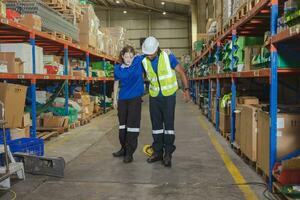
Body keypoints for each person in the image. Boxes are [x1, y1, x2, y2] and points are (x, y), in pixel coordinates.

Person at [141, 36, 191, 167]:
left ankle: (168, 153)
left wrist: (186, 90)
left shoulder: (168, 56)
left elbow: (182, 72)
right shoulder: (144, 61)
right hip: (154, 97)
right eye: (147, 52)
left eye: (151, 52)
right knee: (156, 126)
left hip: (168, 97)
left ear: (157, 48)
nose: (150, 55)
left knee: (168, 126)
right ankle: (157, 152)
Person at [112, 46, 144, 163]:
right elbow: (116, 83)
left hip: (135, 99)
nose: (128, 59)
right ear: (122, 56)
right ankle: (123, 148)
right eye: (126, 56)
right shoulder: (118, 69)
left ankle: (129, 153)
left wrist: (167, 51)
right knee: (122, 126)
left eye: (131, 56)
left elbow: (150, 52)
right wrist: (115, 99)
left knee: (132, 127)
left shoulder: (137, 63)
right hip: (122, 100)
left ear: (134, 56)